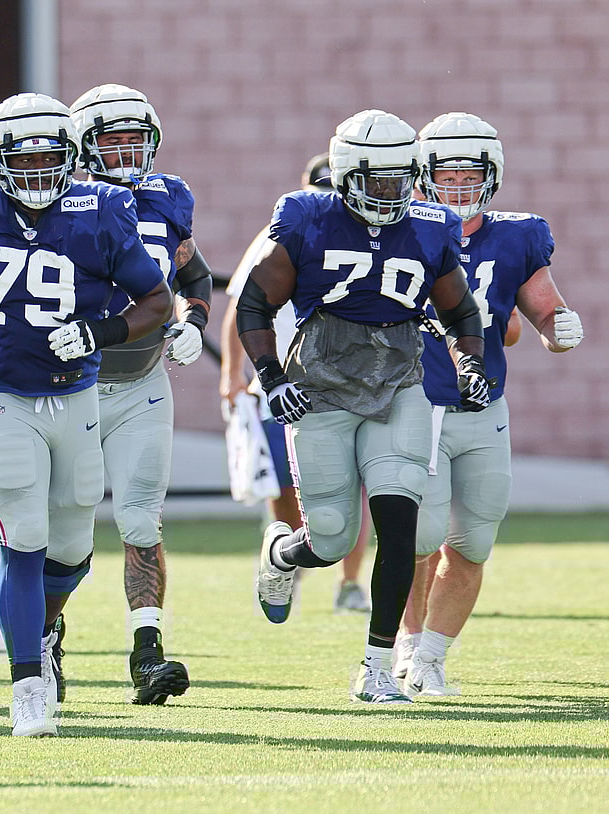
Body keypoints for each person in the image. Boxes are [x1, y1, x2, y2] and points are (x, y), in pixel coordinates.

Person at [0, 92, 172, 736]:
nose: (37, 175)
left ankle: (43, 629)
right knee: (23, 534)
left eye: (51, 160)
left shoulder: (101, 210)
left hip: (76, 390)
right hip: (1, 394)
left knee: (74, 545)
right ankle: (28, 681)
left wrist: (99, 333)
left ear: (72, 158)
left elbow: (157, 301)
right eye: (22, 162)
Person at [237, 109, 491, 705]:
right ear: (348, 175)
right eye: (379, 179)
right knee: (329, 536)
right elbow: (252, 305)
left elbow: (460, 312)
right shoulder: (305, 216)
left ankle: (375, 667)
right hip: (320, 383)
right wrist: (271, 378)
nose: (392, 191)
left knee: (398, 525)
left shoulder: (429, 226)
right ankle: (282, 551)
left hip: (398, 381)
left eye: (402, 178)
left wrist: (468, 363)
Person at [393, 112, 584, 696]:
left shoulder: (517, 234)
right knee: (416, 539)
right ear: (423, 175)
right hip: (413, 404)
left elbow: (538, 310)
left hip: (483, 406)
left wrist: (556, 324)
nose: (456, 184)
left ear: (491, 175)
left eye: (467, 174)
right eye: (444, 174)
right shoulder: (402, 230)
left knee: (473, 542)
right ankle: (402, 642)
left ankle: (431, 657)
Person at [64, 83, 212, 705]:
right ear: (82, 146)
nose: (126, 151)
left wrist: (195, 321)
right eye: (111, 139)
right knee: (62, 529)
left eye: (134, 138)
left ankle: (146, 654)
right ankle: (46, 639)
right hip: (67, 387)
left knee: (138, 518)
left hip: (142, 381)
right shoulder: (62, 204)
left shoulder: (167, 200)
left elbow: (194, 272)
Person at [220, 154, 373, 614]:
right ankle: (287, 565)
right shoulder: (282, 233)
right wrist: (233, 372)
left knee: (358, 488)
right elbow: (242, 309)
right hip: (285, 382)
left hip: (352, 383)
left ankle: (349, 584)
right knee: (285, 489)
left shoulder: (372, 235)